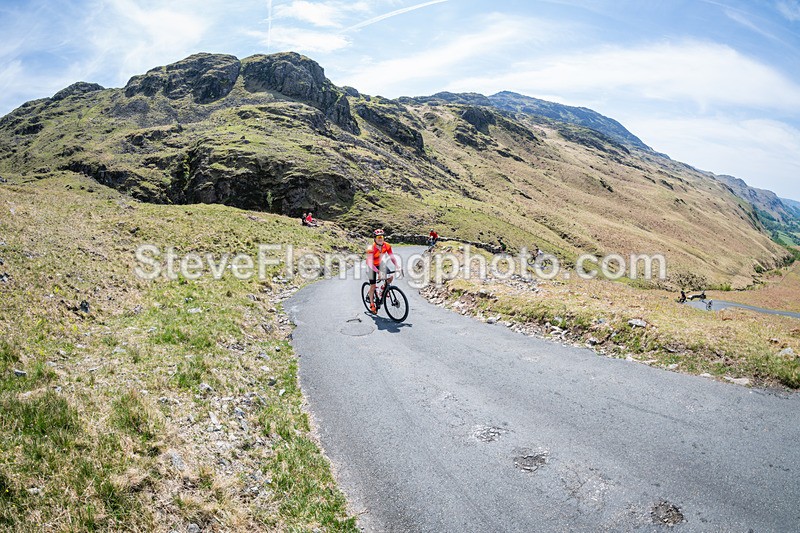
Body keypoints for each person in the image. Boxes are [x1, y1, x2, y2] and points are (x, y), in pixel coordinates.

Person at [366, 229, 401, 313]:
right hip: (371, 266)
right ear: (374, 238)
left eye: (381, 237)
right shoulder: (371, 248)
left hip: (380, 264)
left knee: (390, 277)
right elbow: (370, 263)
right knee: (373, 285)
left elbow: (392, 257)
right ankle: (372, 304)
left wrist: (397, 266)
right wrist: (378, 272)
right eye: (378, 237)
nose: (380, 239)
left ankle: (383, 289)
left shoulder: (387, 246)